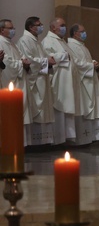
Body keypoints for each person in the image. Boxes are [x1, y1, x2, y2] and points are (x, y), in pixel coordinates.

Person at [17, 16, 56, 146]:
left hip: (42, 79)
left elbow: (41, 57)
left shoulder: (36, 41)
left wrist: (49, 61)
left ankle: (43, 141)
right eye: (38, 25)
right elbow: (29, 60)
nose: (41, 27)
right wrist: (46, 61)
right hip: (34, 81)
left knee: (44, 109)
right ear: (31, 27)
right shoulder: (24, 41)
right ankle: (35, 142)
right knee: (36, 110)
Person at [42, 17, 80, 144]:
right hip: (58, 81)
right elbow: (48, 59)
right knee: (59, 108)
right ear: (53, 27)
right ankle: (58, 139)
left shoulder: (62, 42)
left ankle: (66, 138)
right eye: (62, 25)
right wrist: (63, 56)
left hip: (67, 81)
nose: (65, 28)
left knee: (66, 108)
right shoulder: (47, 41)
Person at [68, 24, 99, 144]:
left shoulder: (82, 46)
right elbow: (76, 63)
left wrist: (93, 63)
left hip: (89, 80)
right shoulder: (71, 46)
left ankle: (92, 137)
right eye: (82, 31)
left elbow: (84, 61)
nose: (85, 33)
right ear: (75, 33)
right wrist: (90, 66)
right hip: (82, 83)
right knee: (83, 108)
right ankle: (83, 138)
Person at [0, 19, 32, 144]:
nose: (13, 30)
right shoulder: (1, 42)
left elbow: (21, 55)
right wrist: (21, 64)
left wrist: (24, 61)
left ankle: (19, 143)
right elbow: (6, 62)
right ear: (2, 30)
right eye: (10, 28)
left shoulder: (11, 43)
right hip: (9, 82)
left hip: (19, 82)